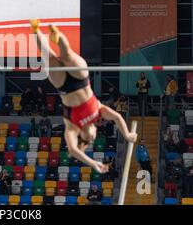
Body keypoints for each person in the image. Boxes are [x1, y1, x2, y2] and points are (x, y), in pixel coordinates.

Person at [30, 19, 137, 173]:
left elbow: (73, 150)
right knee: (66, 55)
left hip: (64, 86)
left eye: (91, 139)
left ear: (84, 136)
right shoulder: (99, 112)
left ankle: (36, 29)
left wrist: (93, 163)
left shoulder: (72, 127)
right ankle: (57, 35)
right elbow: (117, 118)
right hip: (81, 79)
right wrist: (126, 135)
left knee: (50, 56)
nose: (94, 136)